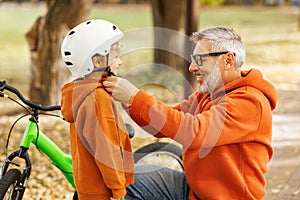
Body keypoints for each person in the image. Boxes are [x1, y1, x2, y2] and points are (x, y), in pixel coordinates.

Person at [103, 27, 278, 199]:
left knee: (126, 185)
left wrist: (135, 97)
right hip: (195, 190)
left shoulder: (249, 102)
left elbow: (194, 131)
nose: (192, 67)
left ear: (228, 60)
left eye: (200, 60)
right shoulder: (207, 95)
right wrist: (129, 101)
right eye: (193, 59)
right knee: (122, 178)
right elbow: (165, 123)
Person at [60, 19, 134, 200]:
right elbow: (106, 151)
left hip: (89, 185)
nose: (120, 61)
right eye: (116, 56)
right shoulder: (97, 99)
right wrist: (118, 190)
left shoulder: (80, 92)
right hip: (102, 190)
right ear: (98, 60)